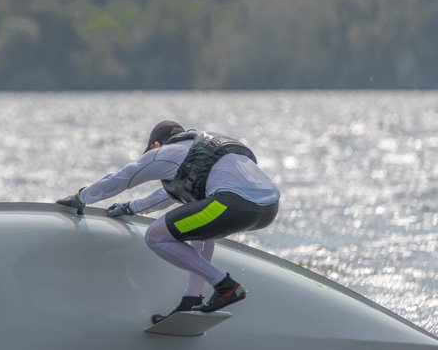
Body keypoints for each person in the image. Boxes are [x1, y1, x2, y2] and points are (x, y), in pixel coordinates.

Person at [56, 120, 280, 320]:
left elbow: (122, 178)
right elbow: (168, 195)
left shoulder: (163, 153)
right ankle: (191, 299)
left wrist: (81, 197)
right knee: (200, 233)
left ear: (156, 145)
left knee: (156, 236)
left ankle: (226, 286)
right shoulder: (199, 149)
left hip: (231, 205)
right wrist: (130, 207)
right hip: (268, 209)